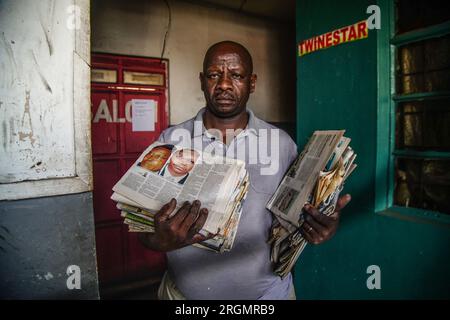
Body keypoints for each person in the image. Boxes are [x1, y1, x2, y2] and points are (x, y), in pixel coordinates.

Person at [139, 40, 351, 300]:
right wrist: (156, 241)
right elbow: (142, 228)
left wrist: (322, 224)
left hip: (269, 296)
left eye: (236, 75)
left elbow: (301, 213)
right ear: (202, 80)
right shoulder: (170, 140)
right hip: (183, 297)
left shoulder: (281, 144)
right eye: (214, 75)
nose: (224, 84)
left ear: (251, 83)